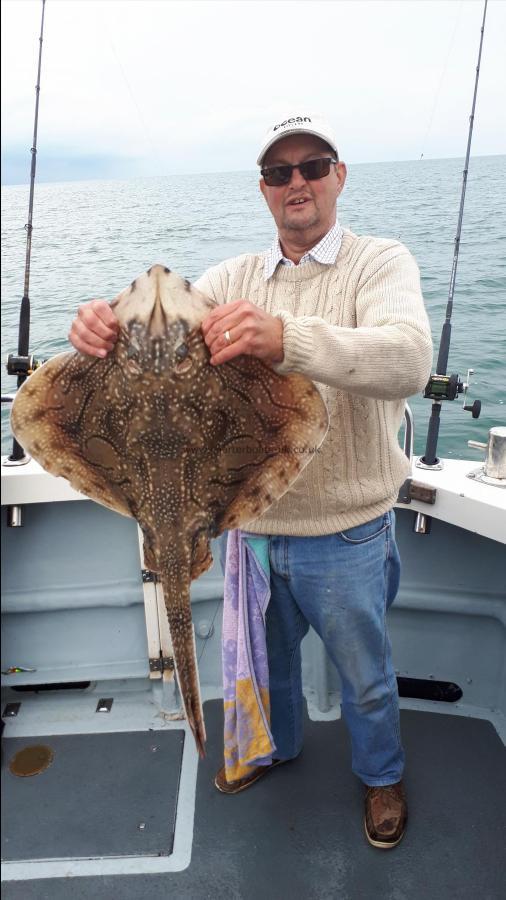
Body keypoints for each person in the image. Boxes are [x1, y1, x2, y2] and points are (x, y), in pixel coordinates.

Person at [68, 113, 433, 850]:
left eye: (312, 165)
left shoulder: (379, 262)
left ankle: (381, 775)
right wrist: (95, 329)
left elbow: (408, 360)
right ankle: (271, 748)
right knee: (265, 673)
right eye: (278, 172)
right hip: (251, 528)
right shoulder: (231, 279)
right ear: (264, 190)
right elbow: (162, 354)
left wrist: (287, 340)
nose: (295, 182)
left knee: (366, 676)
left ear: (339, 176)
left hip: (346, 530)